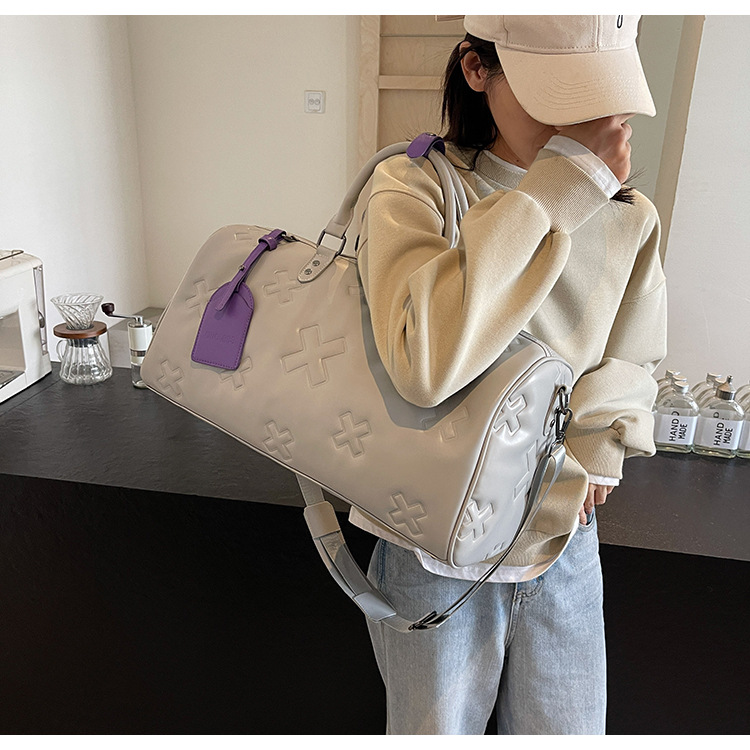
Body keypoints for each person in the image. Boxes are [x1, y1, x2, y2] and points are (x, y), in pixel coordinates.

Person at [347, 16, 668, 734]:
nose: (580, 122)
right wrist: (553, 194)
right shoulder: (415, 185)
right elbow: (424, 362)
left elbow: (632, 353)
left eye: (599, 94)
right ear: (476, 70)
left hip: (562, 537)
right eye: (559, 94)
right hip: (432, 540)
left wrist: (599, 449)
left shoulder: (629, 217)